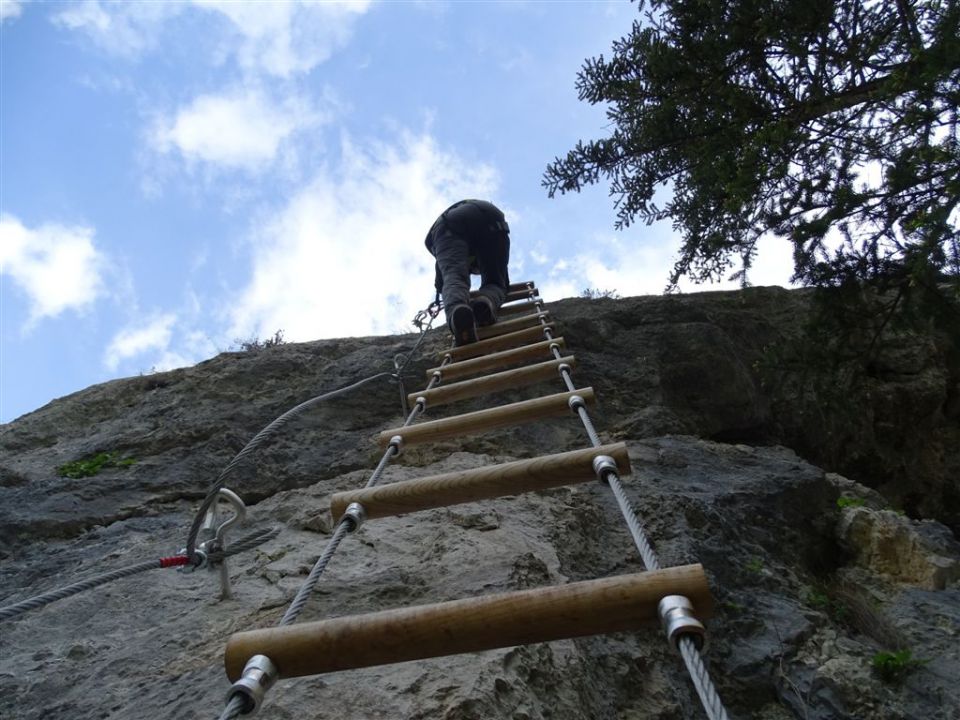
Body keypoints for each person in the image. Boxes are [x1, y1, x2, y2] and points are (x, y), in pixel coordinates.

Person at [425, 199, 511, 346]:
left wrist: (442, 290)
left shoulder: (445, 248)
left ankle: (458, 313)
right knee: (497, 284)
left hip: (449, 225)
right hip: (493, 219)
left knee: (454, 277)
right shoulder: (474, 253)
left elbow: (447, 277)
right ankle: (485, 303)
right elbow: (502, 280)